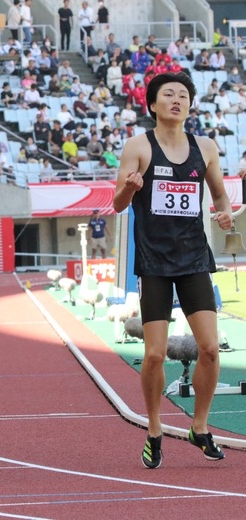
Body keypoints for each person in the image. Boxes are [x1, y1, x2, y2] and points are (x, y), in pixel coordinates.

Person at [113, 72, 232, 470]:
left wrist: (225, 212)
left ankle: (199, 426)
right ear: (152, 105)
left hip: (194, 258)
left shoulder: (206, 147)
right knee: (154, 355)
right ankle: (153, 428)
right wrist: (131, 187)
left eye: (184, 95)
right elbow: (117, 203)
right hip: (155, 263)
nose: (177, 100)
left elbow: (219, 195)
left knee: (212, 350)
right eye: (169, 94)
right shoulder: (138, 146)